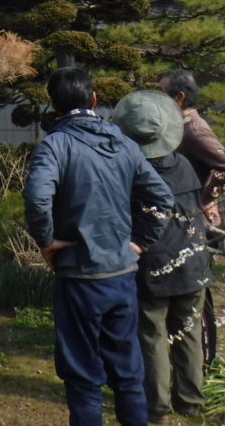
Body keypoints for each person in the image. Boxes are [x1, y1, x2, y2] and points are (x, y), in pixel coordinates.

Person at [24, 67, 174, 426]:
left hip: (79, 276)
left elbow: (36, 198)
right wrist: (139, 243)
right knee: (128, 372)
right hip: (121, 273)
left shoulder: (55, 145)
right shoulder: (123, 143)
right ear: (94, 99)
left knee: (83, 374)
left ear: (54, 104)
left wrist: (47, 242)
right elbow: (162, 199)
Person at [112, 90, 211, 422]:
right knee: (189, 331)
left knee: (152, 336)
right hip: (193, 260)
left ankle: (157, 407)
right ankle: (191, 402)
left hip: (153, 265)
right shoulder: (183, 164)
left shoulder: (130, 172)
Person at [158, 69, 225, 226]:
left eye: (160, 93)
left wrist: (205, 200)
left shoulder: (195, 132)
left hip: (196, 221)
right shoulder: (181, 126)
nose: (156, 99)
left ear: (179, 98)